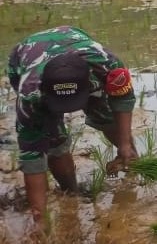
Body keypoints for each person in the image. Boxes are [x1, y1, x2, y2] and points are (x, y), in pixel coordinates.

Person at [7, 26, 138, 226]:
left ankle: (131, 163)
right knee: (53, 141)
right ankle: (71, 192)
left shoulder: (107, 65)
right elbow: (32, 156)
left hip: (74, 47)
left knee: (106, 115)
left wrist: (125, 145)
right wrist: (40, 220)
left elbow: (123, 99)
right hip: (24, 57)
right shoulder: (30, 93)